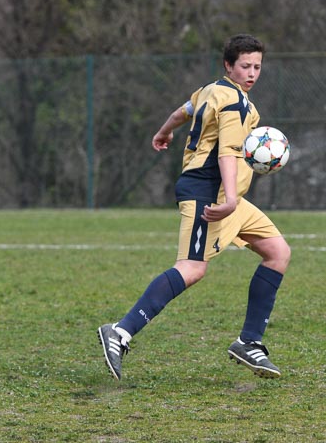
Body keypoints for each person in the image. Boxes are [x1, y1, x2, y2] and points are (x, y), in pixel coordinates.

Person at [97, 34, 291, 380]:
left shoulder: (210, 90)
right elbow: (227, 152)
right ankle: (120, 331)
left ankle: (249, 341)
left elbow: (182, 112)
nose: (252, 73)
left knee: (277, 252)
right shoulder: (236, 103)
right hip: (209, 194)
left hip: (229, 198)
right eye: (245, 66)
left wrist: (164, 131)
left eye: (257, 66)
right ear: (228, 65)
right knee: (191, 268)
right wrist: (228, 201)